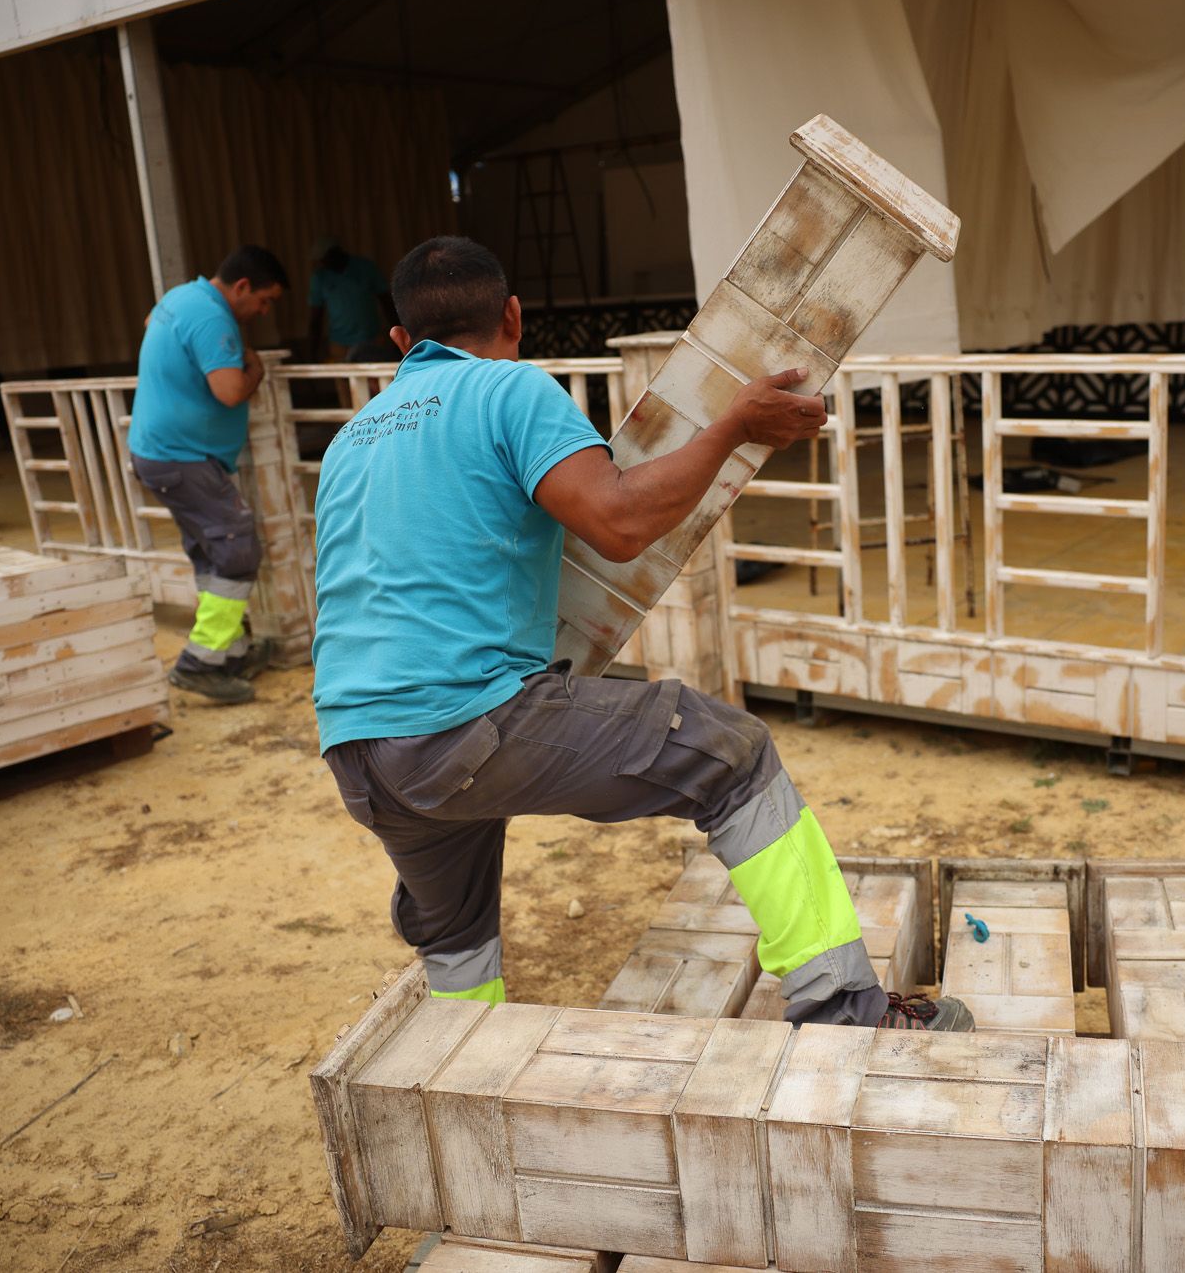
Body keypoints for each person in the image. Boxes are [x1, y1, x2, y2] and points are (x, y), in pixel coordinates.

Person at [311, 236, 974, 1032]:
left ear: (400, 342)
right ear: (514, 317)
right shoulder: (508, 391)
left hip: (357, 752)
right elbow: (618, 521)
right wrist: (731, 428)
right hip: (461, 725)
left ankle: (459, 1057)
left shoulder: (354, 438)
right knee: (730, 752)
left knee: (455, 926)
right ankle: (847, 1009)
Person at [127, 245, 288, 704]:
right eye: (265, 300)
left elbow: (149, 325)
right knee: (237, 547)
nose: (263, 310)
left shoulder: (179, 299)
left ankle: (229, 652)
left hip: (161, 452)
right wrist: (253, 367)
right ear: (241, 287)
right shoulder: (213, 317)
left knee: (211, 552)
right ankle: (199, 663)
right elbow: (230, 389)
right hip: (182, 455)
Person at [306, 236, 396, 361]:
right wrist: (312, 353)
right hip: (339, 344)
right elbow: (316, 317)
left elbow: (387, 302)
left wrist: (398, 335)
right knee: (343, 379)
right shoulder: (320, 277)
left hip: (370, 340)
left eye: (325, 258)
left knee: (373, 379)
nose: (323, 263)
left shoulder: (365, 268)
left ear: (336, 252)